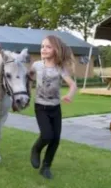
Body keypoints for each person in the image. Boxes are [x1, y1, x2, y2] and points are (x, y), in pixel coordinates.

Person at [29, 35, 77, 179]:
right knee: (47, 135)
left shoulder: (59, 68)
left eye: (48, 47)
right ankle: (36, 149)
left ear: (56, 49)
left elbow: (73, 85)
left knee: (55, 139)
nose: (44, 49)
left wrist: (69, 95)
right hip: (41, 107)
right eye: (42, 46)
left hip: (55, 108)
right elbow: (27, 80)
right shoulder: (36, 65)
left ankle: (46, 167)